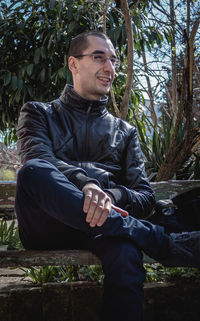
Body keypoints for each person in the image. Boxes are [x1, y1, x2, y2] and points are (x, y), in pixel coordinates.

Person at [15, 31, 200, 321]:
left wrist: (111, 196)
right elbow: (39, 159)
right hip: (47, 225)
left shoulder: (125, 132)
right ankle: (156, 240)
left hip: (105, 229)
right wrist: (87, 184)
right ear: (73, 64)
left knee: (125, 251)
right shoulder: (39, 113)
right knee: (32, 171)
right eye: (99, 57)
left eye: (113, 61)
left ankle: (138, 235)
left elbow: (145, 195)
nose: (110, 69)